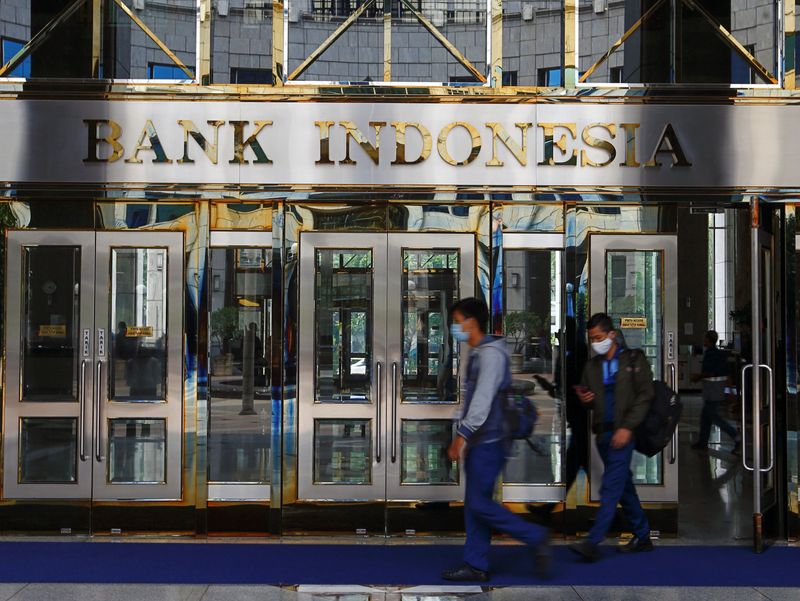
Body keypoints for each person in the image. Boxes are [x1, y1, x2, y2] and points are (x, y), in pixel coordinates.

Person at [441, 297, 551, 582]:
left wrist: (461, 436)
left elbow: (483, 400)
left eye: (457, 321)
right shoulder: (480, 352)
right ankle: (476, 564)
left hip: (489, 440)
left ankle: (535, 536)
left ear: (471, 322)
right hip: (483, 440)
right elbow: (472, 399)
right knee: (475, 504)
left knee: (478, 504)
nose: (455, 328)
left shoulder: (490, 355)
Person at [570, 313, 654, 562]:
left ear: (612, 335)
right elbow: (590, 402)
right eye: (592, 339)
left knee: (611, 486)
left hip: (623, 434)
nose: (596, 343)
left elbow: (645, 395)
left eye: (599, 337)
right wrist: (586, 400)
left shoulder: (633, 360)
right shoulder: (592, 367)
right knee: (623, 486)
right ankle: (643, 535)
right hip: (603, 435)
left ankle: (593, 541)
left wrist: (627, 427)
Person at [691, 330, 741, 453]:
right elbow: (726, 373)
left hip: (711, 391)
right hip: (717, 389)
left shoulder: (710, 354)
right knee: (705, 417)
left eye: (705, 338)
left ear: (708, 340)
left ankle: (736, 436)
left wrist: (697, 377)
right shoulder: (720, 354)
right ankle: (702, 442)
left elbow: (709, 372)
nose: (704, 341)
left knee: (715, 418)